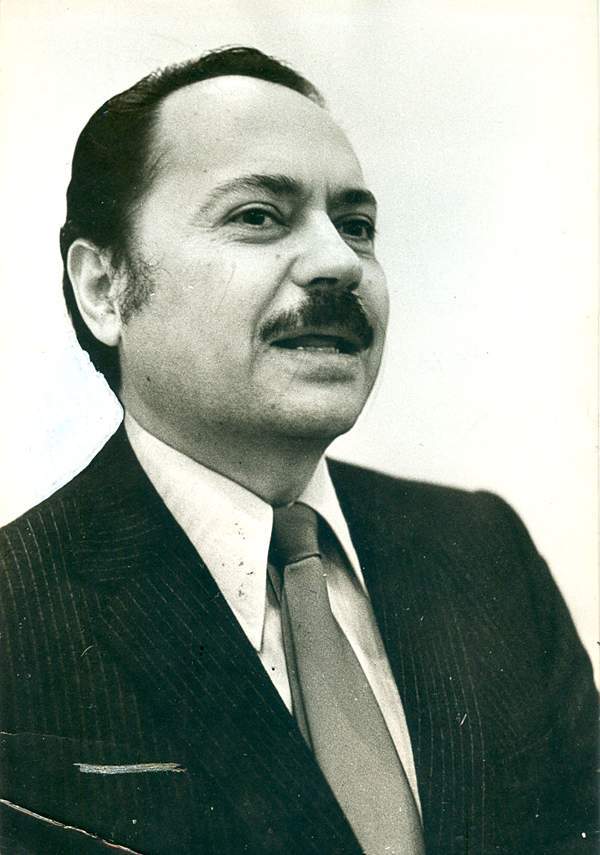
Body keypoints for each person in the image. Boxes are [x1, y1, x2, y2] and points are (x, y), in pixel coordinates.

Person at [0, 46, 596, 855]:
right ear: (105, 288)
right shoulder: (17, 610)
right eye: (258, 216)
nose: (339, 263)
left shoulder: (484, 552)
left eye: (357, 227)